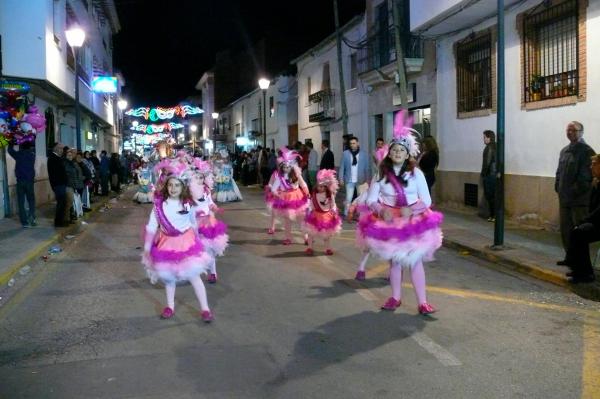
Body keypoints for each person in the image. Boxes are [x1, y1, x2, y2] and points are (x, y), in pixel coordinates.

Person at [359, 110, 442, 314]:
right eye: (394, 150)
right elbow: (371, 199)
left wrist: (412, 209)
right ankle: (395, 298)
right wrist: (379, 209)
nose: (397, 153)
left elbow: (428, 199)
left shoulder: (417, 173)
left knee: (414, 262)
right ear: (390, 152)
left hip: (413, 222)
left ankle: (423, 302)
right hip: (390, 222)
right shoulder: (382, 173)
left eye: (401, 151)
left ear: (407, 154)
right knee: (395, 262)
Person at [142, 158, 214, 322]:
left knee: (194, 276)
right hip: (167, 243)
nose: (173, 188)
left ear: (183, 187)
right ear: (166, 186)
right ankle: (170, 306)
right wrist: (147, 249)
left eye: (177, 185)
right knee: (169, 277)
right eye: (171, 185)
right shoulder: (158, 206)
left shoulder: (187, 204)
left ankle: (205, 308)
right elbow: (152, 227)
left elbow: (193, 223)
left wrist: (198, 240)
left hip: (186, 242)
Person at [556, 121, 595, 265]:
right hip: (564, 199)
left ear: (581, 132)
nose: (569, 132)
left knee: (579, 232)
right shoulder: (564, 151)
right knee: (566, 230)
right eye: (568, 130)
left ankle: (580, 264)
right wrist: (558, 186)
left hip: (578, 201)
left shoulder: (586, 151)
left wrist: (573, 191)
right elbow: (559, 172)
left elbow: (585, 177)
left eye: (573, 130)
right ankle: (570, 257)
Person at [190, 157, 228, 284]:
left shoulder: (206, 190)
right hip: (193, 224)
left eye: (201, 177)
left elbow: (209, 202)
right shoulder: (188, 192)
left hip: (207, 223)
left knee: (209, 249)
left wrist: (213, 206)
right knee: (195, 250)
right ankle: (196, 272)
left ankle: (213, 273)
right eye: (197, 177)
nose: (199, 180)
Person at [564, 154, 600, 284]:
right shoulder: (596, 181)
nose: (591, 167)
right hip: (596, 221)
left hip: (598, 222)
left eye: (594, 164)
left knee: (580, 232)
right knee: (577, 232)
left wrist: (585, 220)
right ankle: (579, 269)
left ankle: (586, 273)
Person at [268, 147, 310, 245]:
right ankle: (287, 238)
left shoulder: (296, 175)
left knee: (301, 218)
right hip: (285, 198)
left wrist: (307, 193)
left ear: (292, 166)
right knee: (287, 220)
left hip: (297, 197)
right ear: (281, 167)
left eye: (288, 167)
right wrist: (276, 193)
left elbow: (303, 184)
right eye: (284, 167)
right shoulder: (280, 177)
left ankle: (306, 237)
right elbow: (274, 188)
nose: (286, 168)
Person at [302, 169, 341, 256]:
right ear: (316, 186)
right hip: (315, 216)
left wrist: (334, 211)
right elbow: (311, 204)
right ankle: (310, 247)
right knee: (311, 233)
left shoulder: (330, 195)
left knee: (326, 235)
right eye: (320, 186)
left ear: (326, 187)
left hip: (327, 216)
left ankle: (327, 248)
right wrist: (309, 210)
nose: (321, 188)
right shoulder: (314, 195)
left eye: (323, 186)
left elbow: (333, 204)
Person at [338, 136, 369, 217]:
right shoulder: (345, 154)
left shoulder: (363, 154)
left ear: (357, 143)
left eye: (354, 143)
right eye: (351, 143)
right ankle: (346, 213)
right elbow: (342, 167)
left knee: (361, 199)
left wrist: (368, 179)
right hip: (349, 180)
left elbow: (367, 168)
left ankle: (361, 215)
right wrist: (340, 178)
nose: (352, 145)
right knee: (348, 198)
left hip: (361, 180)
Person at [8, 142, 36, 227]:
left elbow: (10, 150)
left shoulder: (19, 155)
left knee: (21, 201)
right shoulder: (32, 155)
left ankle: (24, 222)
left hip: (20, 181)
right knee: (31, 200)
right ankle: (32, 217)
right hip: (30, 181)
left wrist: (11, 142)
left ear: (20, 146)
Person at [47, 143, 68, 227]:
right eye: (61, 149)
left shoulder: (57, 158)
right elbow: (55, 173)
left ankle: (61, 220)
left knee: (62, 203)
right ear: (56, 149)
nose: (62, 150)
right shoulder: (53, 158)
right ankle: (58, 222)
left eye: (62, 149)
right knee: (61, 203)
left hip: (60, 184)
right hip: (58, 184)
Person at [481, 130, 497, 222]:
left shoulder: (489, 148)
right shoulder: (496, 146)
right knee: (493, 196)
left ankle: (492, 215)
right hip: (495, 174)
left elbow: (487, 163)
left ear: (489, 137)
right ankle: (493, 215)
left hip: (490, 174)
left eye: (484, 137)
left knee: (490, 196)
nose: (483, 139)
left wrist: (483, 174)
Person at [64, 149, 84, 220]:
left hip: (73, 185)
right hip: (68, 185)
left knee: (72, 202)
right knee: (69, 202)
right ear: (66, 156)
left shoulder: (72, 163)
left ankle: (70, 217)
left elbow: (75, 175)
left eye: (71, 155)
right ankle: (67, 218)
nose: (70, 157)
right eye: (68, 155)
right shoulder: (65, 163)